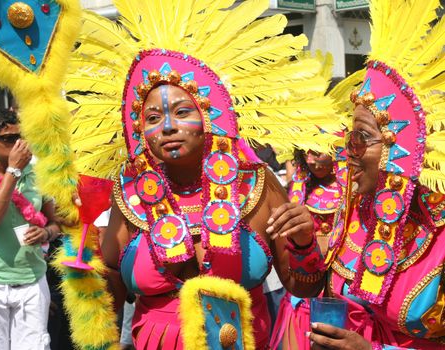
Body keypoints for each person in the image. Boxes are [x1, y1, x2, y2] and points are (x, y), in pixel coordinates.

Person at [60, 1, 344, 348]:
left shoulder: (254, 184)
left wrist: (302, 241)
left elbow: (303, 286)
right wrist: (81, 250)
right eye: (151, 119)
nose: (166, 128)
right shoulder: (131, 193)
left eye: (181, 112)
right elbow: (110, 291)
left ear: (210, 116)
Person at [299, 0, 445, 348]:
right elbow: (315, 286)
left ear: (404, 149)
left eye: (360, 138)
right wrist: (303, 243)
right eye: (348, 138)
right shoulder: (355, 211)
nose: (346, 153)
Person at [0, 108, 61, 350]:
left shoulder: (36, 174)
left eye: (20, 138)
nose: (18, 145)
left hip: (32, 281)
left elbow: (55, 222)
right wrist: (13, 171)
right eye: (9, 139)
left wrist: (45, 234)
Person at [270, 148, 346, 349]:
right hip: (302, 291)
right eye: (305, 154)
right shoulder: (300, 183)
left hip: (337, 297)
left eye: (318, 152)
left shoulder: (354, 187)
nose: (311, 160)